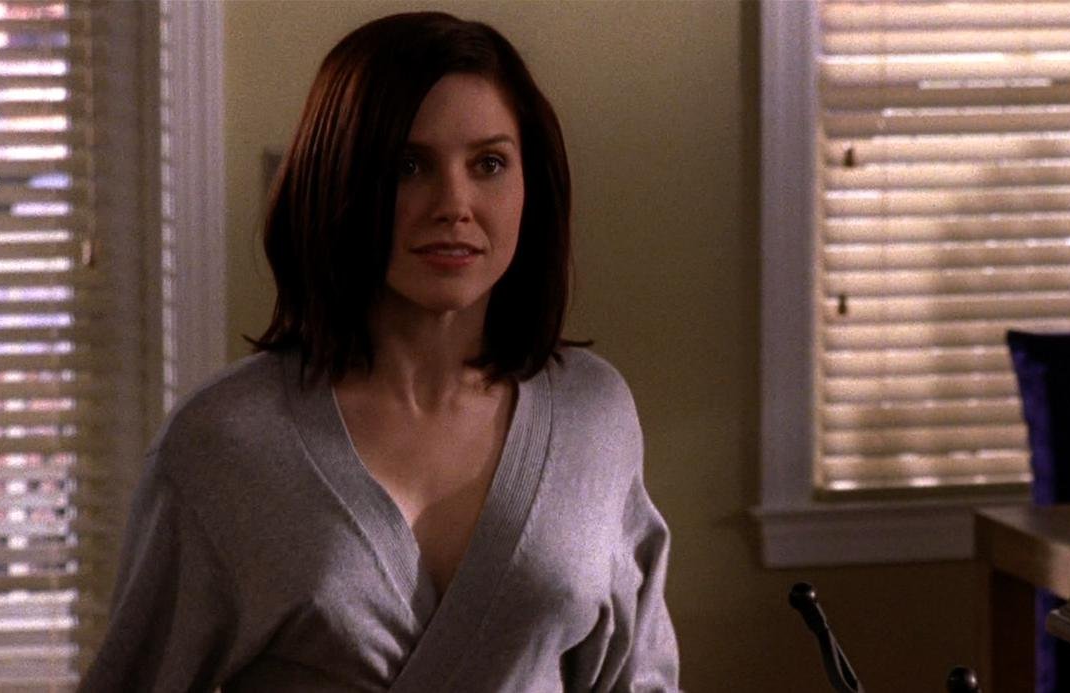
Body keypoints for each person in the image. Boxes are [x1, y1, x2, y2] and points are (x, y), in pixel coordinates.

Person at [79, 11, 680, 692]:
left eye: (488, 164)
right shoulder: (223, 444)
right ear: (337, 181)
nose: (453, 204)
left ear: (530, 185)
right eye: (407, 166)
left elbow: (641, 678)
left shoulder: (593, 415)